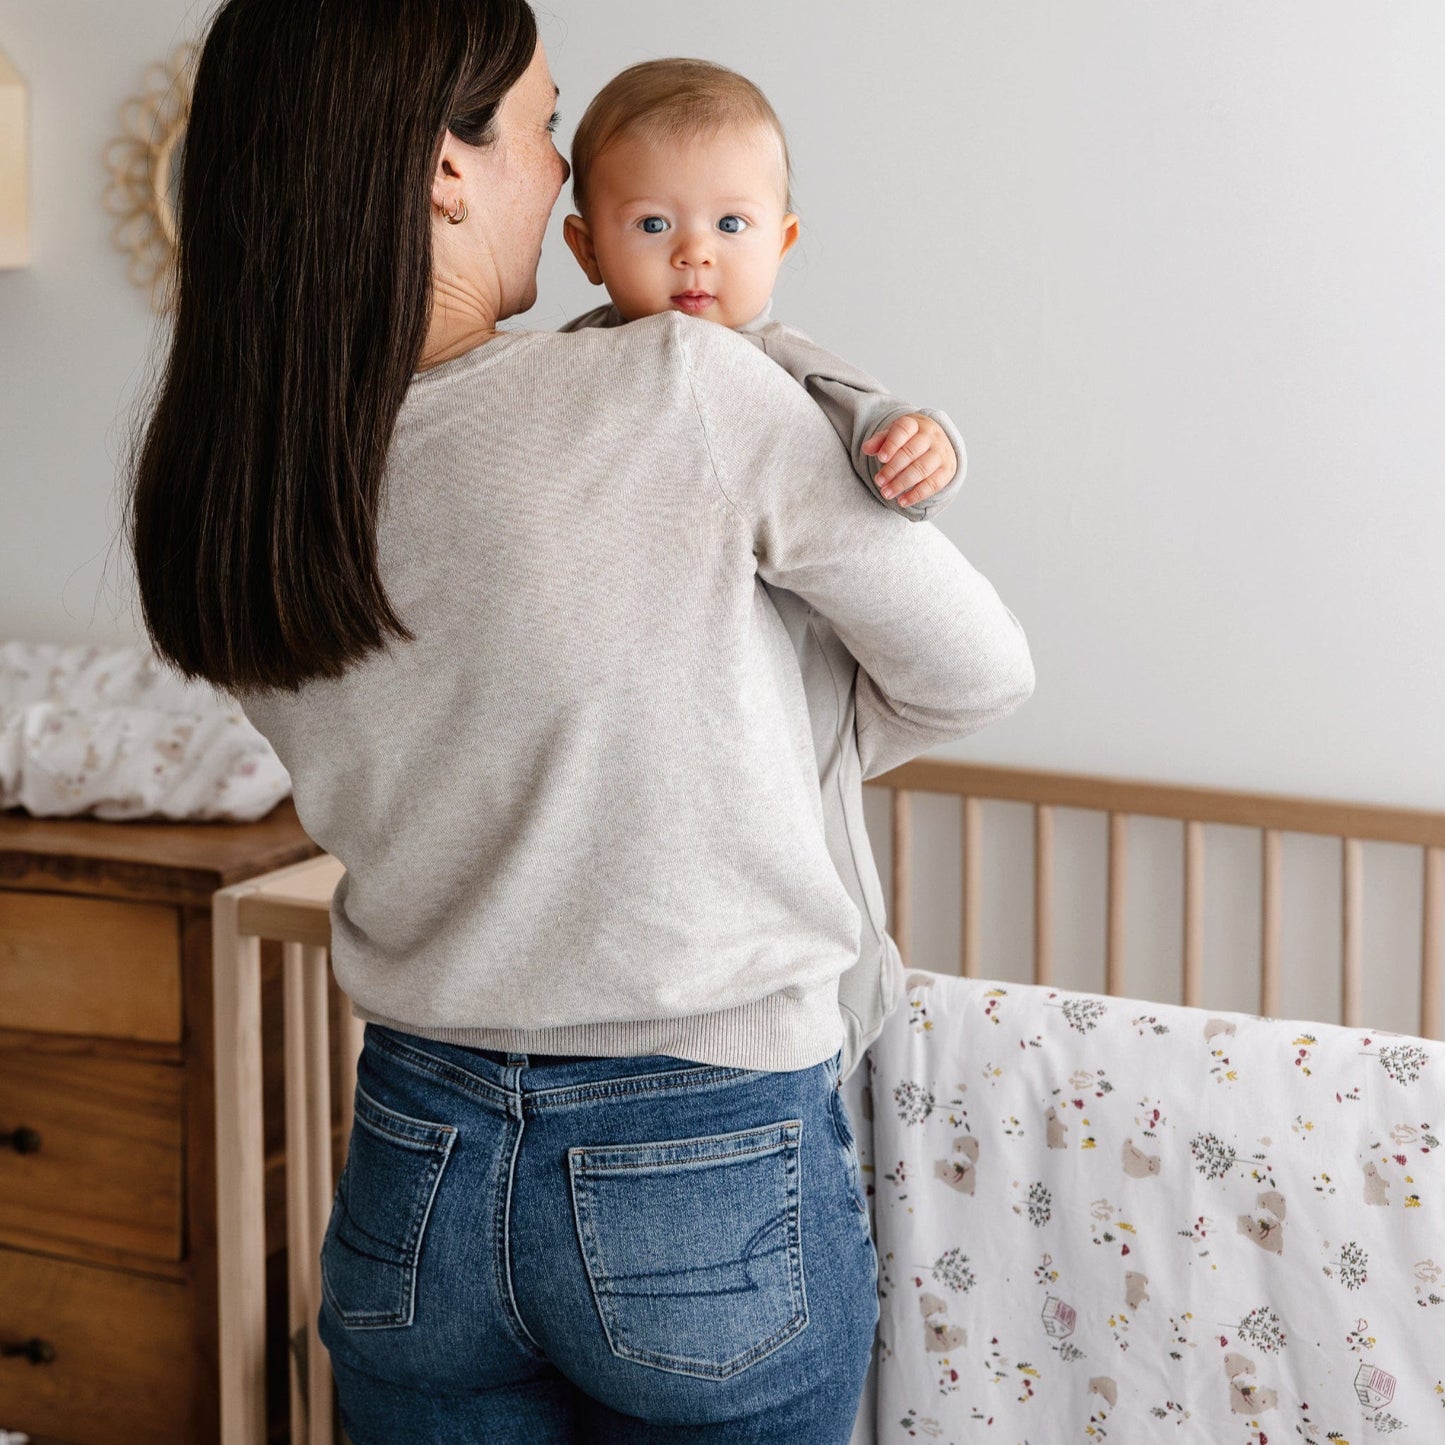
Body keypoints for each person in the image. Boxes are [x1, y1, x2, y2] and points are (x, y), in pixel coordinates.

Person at [123, 2, 1035, 1440]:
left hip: (413, 1162)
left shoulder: (243, 487)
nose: (560, 173)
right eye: (546, 126)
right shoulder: (680, 386)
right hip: (702, 1145)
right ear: (443, 168)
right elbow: (974, 670)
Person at [556, 57, 969, 1083]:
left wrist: (924, 446)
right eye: (652, 225)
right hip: (638, 715)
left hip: (781, 702)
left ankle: (843, 1010)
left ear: (780, 241)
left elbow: (886, 439)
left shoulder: (783, 369)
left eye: (731, 226)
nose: (694, 252)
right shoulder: (561, 376)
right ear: (584, 245)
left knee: (814, 864)